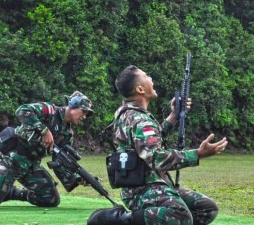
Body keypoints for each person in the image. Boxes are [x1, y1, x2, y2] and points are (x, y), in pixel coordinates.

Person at [87, 65, 228, 225]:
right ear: (140, 89)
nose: (151, 79)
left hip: (144, 184)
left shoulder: (126, 113)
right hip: (143, 188)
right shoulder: (140, 120)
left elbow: (148, 141)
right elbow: (157, 158)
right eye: (147, 76)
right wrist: (198, 154)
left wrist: (174, 116)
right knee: (179, 215)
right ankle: (120, 220)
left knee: (206, 208)